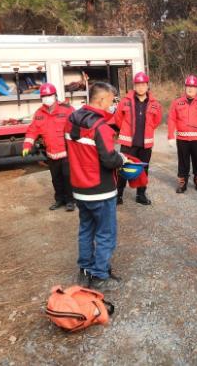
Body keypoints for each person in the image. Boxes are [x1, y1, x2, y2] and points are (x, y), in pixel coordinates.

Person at [65, 82, 128, 291]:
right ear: (101, 100)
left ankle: (84, 271)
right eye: (111, 100)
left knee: (86, 230)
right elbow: (109, 160)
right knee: (105, 234)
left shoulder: (71, 120)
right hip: (101, 190)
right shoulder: (101, 127)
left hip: (79, 189)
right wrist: (122, 159)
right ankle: (100, 275)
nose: (112, 105)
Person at [22, 83, 75, 211]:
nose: (47, 98)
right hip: (51, 153)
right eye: (44, 96)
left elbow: (77, 127)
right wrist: (27, 145)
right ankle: (59, 200)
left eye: (49, 95)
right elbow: (32, 131)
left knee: (67, 177)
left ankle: (70, 201)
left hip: (66, 152)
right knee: (56, 179)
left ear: (55, 96)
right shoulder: (39, 113)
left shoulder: (67, 110)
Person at [112, 72, 162, 205]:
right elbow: (118, 118)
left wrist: (148, 130)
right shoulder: (125, 101)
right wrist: (125, 130)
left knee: (143, 170)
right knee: (123, 168)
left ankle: (141, 195)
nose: (140, 87)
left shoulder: (155, 104)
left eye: (143, 84)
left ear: (147, 86)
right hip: (128, 143)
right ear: (134, 86)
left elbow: (156, 121)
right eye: (138, 85)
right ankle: (118, 195)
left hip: (145, 144)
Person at [168, 75, 197, 193]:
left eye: (193, 87)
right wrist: (170, 136)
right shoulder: (177, 102)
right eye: (188, 86)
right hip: (182, 138)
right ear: (185, 87)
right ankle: (182, 182)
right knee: (183, 161)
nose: (190, 89)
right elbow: (171, 119)